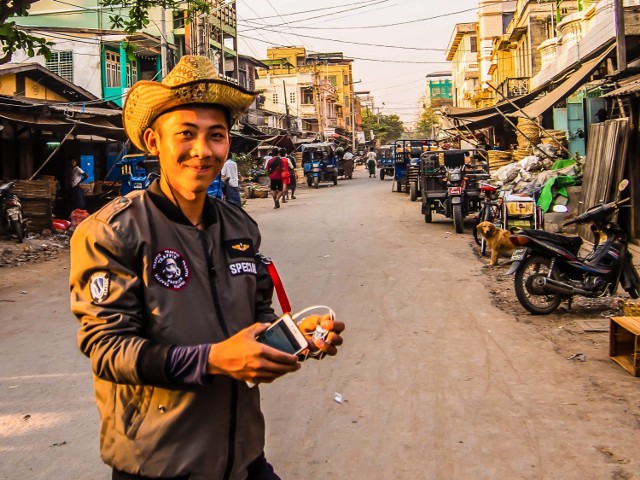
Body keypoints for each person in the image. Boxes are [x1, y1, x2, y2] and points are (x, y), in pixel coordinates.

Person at [69, 55, 344, 480]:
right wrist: (214, 360)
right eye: (186, 134)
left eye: (216, 135)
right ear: (152, 141)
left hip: (244, 455)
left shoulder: (239, 225)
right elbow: (108, 350)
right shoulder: (111, 232)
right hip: (160, 462)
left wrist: (291, 338)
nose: (202, 151)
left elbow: (257, 316)